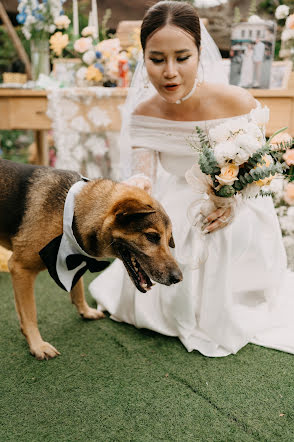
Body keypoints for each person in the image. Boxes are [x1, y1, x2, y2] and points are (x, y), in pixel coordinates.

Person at [89, 1, 294, 357]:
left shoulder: (236, 100)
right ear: (143, 58)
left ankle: (229, 302)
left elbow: (259, 165)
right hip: (172, 197)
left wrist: (231, 199)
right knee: (173, 229)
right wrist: (138, 185)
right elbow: (142, 172)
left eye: (182, 57)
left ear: (200, 53)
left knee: (224, 231)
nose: (170, 72)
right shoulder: (143, 113)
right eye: (157, 59)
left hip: (237, 200)